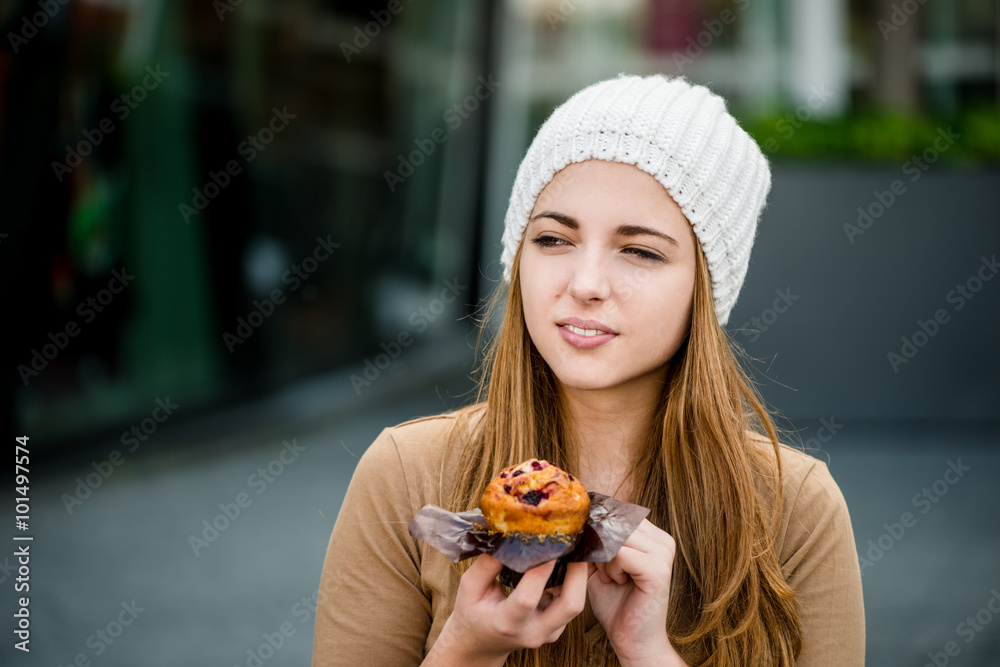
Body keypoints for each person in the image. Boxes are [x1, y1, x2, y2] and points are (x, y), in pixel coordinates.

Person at [311, 73, 865, 667]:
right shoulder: (405, 475)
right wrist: (465, 651)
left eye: (641, 251)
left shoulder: (794, 508)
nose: (586, 284)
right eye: (553, 239)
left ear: (706, 289)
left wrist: (649, 654)